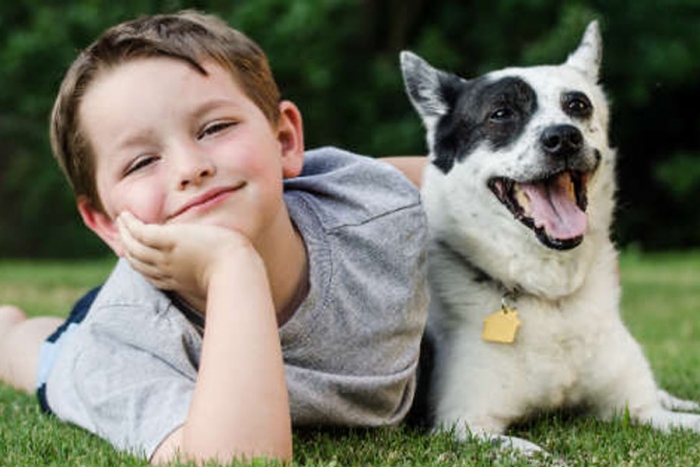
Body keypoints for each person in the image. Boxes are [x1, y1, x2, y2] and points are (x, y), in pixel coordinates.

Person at [0, 10, 429, 465]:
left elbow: (467, 184)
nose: (191, 168)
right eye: (141, 162)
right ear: (106, 222)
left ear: (284, 140)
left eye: (215, 128)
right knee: (48, 357)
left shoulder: (374, 206)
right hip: (131, 315)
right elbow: (238, 460)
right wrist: (231, 266)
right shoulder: (119, 349)